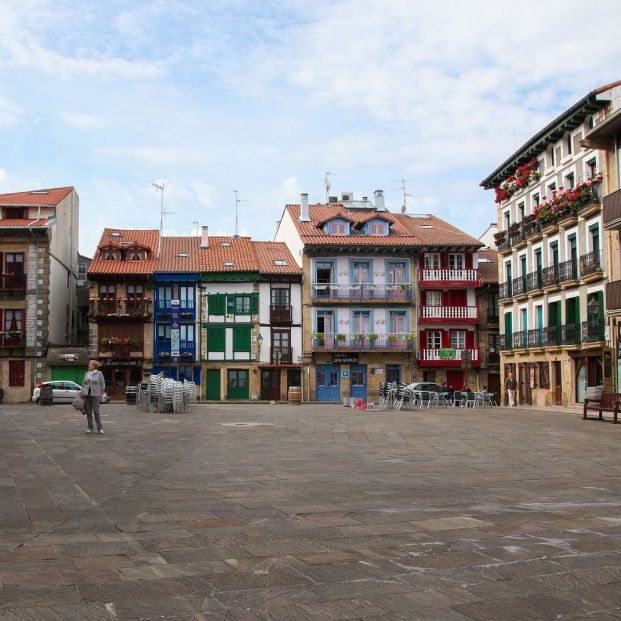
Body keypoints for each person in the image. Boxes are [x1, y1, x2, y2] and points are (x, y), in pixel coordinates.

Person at [82, 360, 106, 434]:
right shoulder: (86, 373)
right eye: (89, 364)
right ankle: (90, 427)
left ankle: (100, 428)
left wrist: (101, 395)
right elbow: (83, 384)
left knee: (96, 411)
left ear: (94, 366)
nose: (88, 365)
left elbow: (103, 385)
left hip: (96, 395)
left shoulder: (99, 373)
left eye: (90, 364)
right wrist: (82, 393)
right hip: (87, 395)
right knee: (89, 412)